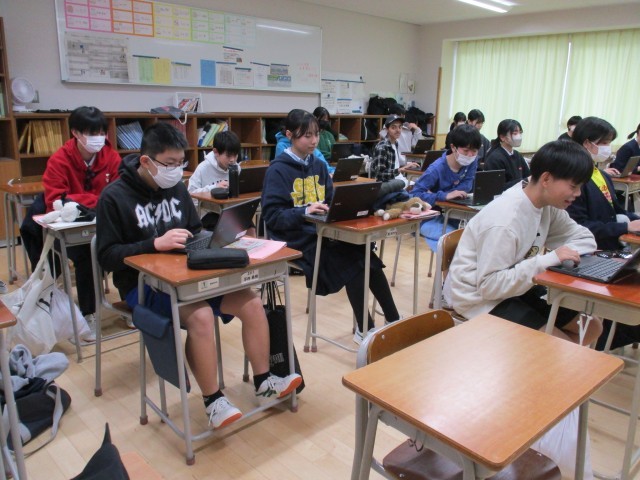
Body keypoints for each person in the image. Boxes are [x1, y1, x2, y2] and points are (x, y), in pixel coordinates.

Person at [96, 123, 301, 429]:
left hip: (189, 275)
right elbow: (106, 256)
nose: (176, 171)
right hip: (143, 285)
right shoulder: (114, 197)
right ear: (146, 161)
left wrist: (224, 238)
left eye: (181, 163)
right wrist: (153, 244)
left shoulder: (178, 189)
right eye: (169, 164)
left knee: (251, 303)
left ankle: (264, 382)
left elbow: (194, 231)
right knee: (201, 316)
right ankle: (214, 401)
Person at [261, 109, 400, 344]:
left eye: (316, 134)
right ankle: (365, 329)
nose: (314, 140)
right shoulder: (277, 170)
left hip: (321, 231)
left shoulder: (318, 164)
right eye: (307, 136)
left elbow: (330, 200)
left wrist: (342, 208)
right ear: (289, 135)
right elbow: (272, 217)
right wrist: (305, 211)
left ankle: (393, 320)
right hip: (295, 236)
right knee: (353, 261)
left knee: (365, 254)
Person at [445, 140, 602, 345]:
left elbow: (585, 239)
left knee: (591, 326)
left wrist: (558, 256)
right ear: (546, 179)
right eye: (573, 186)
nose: (578, 193)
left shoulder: (547, 205)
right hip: (479, 298)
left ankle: (546, 360)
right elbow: (489, 287)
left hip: (517, 283)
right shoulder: (505, 220)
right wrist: (548, 260)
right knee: (558, 348)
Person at [42, 106, 122, 341]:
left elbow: (119, 193)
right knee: (87, 254)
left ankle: (131, 305)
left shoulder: (112, 157)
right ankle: (89, 312)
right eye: (92, 133)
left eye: (102, 132)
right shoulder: (59, 160)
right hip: (71, 229)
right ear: (76, 133)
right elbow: (56, 200)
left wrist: (79, 200)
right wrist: (98, 200)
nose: (99, 138)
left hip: (104, 223)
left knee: (126, 248)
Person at [567, 117, 640, 250]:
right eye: (604, 143)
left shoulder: (602, 175)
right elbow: (579, 225)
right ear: (587, 143)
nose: (608, 148)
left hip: (610, 242)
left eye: (609, 143)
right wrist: (626, 227)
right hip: (590, 248)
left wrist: (635, 219)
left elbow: (616, 210)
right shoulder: (574, 179)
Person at [412, 124, 480, 252]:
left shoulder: (472, 161)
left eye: (474, 151)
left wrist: (445, 193)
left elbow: (467, 185)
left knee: (476, 240)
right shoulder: (436, 168)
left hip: (453, 217)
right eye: (466, 151)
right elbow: (415, 194)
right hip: (428, 219)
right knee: (459, 243)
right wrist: (445, 196)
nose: (470, 155)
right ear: (453, 147)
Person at [187, 130, 242, 226]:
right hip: (207, 212)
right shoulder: (203, 168)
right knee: (228, 226)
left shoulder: (236, 168)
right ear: (216, 152)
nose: (232, 160)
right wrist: (214, 188)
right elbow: (190, 195)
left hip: (229, 210)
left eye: (235, 155)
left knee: (249, 226)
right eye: (228, 156)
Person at [370, 114, 419, 195]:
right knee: (412, 190)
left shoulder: (395, 143)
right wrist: (400, 169)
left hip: (396, 179)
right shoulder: (382, 147)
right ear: (387, 130)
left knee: (420, 185)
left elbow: (394, 166)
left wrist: (406, 166)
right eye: (393, 127)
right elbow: (379, 175)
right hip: (385, 184)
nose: (398, 130)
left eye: (400, 127)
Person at [484, 119, 529, 191]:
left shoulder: (517, 155)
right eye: (515, 133)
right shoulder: (495, 158)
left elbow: (527, 175)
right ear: (502, 137)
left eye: (520, 133)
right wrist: (522, 182)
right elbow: (497, 187)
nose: (519, 136)